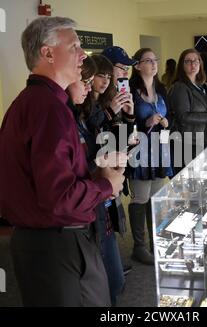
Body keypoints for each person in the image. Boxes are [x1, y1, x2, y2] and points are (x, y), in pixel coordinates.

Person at [0, 16, 125, 307]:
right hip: (58, 246)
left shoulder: (36, 103)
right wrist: (106, 185)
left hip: (46, 244)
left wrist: (95, 173)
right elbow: (59, 198)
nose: (83, 54)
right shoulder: (47, 109)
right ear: (47, 53)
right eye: (75, 46)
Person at [67, 55, 127, 306]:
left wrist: (127, 120)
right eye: (88, 80)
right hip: (89, 208)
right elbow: (78, 168)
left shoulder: (90, 110)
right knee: (103, 283)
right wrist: (103, 168)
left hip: (103, 199)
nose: (93, 85)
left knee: (113, 279)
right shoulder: (74, 114)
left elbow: (115, 141)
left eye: (103, 77)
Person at [128, 48, 173, 265]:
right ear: (137, 66)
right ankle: (139, 246)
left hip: (159, 150)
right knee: (141, 199)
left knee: (155, 200)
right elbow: (124, 123)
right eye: (148, 60)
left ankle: (156, 243)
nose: (154, 64)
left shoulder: (161, 89)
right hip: (140, 151)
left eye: (155, 60)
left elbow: (168, 119)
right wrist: (145, 123)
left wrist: (165, 123)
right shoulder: (130, 91)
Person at [168, 48, 207, 174]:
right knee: (187, 186)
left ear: (200, 64)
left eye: (196, 61)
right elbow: (183, 116)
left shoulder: (200, 85)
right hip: (186, 144)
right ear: (182, 65)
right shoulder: (180, 87)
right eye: (188, 61)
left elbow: (204, 109)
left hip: (200, 140)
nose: (193, 64)